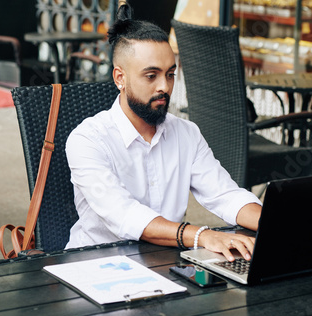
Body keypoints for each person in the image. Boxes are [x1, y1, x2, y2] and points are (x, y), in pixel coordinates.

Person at [65, 3, 262, 262]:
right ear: (119, 78)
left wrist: (279, 225)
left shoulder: (186, 133)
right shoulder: (87, 140)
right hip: (99, 266)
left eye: (170, 74)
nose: (165, 87)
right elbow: (125, 214)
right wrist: (203, 235)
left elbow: (224, 195)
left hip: (164, 262)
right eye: (151, 76)